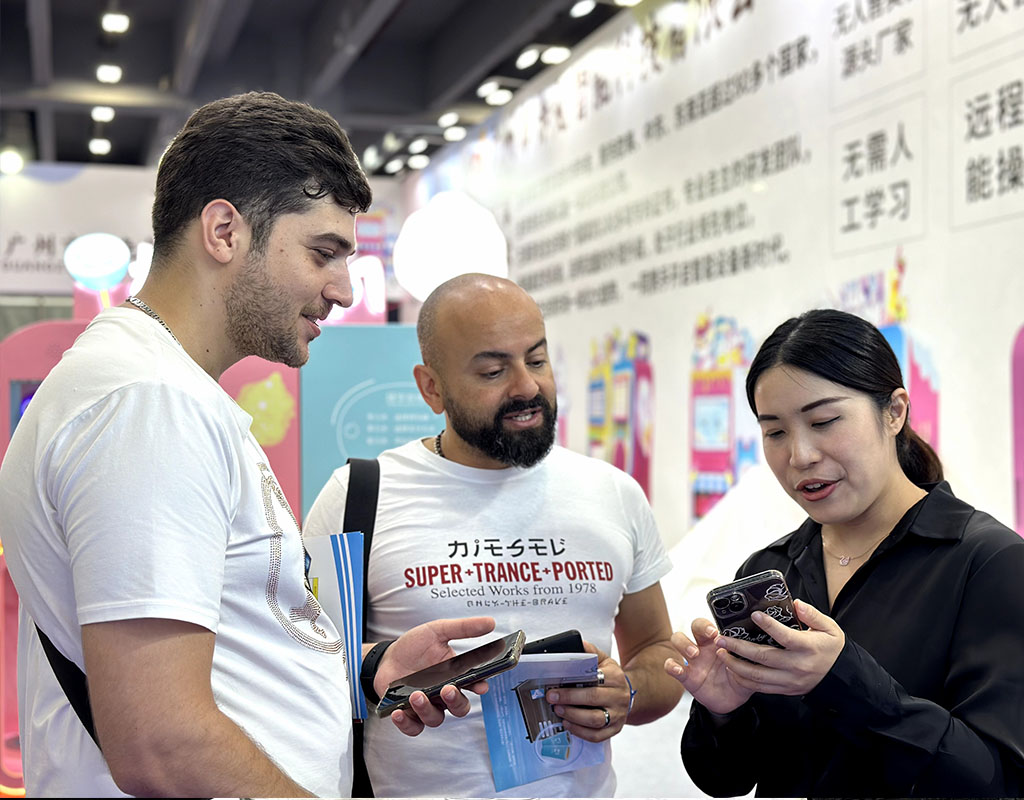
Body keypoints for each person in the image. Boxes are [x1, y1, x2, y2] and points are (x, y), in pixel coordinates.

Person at [0, 91, 495, 799]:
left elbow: (218, 652)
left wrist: (367, 670)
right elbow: (159, 741)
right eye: (324, 253)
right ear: (225, 231)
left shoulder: (156, 387)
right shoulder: (150, 403)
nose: (343, 289)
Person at [304, 273, 684, 797]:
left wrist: (629, 692)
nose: (526, 387)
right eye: (493, 371)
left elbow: (657, 650)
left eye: (536, 359)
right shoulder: (355, 497)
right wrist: (379, 672)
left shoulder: (613, 494)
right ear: (431, 387)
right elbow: (300, 663)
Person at [664, 308, 1024, 797]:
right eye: (775, 432)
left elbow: (999, 780)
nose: (800, 455)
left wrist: (844, 679)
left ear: (894, 412)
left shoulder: (989, 563)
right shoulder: (770, 571)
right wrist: (724, 712)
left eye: (824, 421)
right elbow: (726, 779)